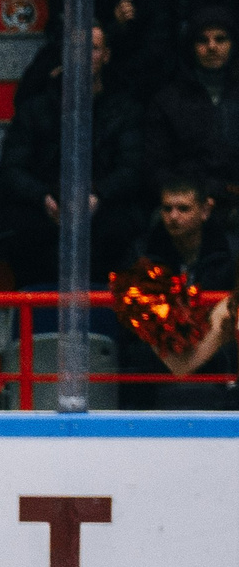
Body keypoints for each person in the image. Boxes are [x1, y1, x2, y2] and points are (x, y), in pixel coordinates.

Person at [0, 28, 145, 289]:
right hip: (42, 216)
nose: (84, 56)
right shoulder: (35, 109)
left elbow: (133, 169)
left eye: (93, 48)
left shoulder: (125, 109)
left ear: (106, 55)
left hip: (103, 218)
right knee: (24, 228)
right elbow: (11, 169)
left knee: (122, 227)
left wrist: (97, 195)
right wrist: (44, 196)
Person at [120, 171, 239, 407]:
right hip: (156, 366)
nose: (173, 217)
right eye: (167, 209)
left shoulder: (233, 252)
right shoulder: (141, 253)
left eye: (183, 209)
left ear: (205, 210)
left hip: (217, 361)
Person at [145, 8, 239, 211]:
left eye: (220, 39)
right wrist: (192, 197)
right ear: (191, 47)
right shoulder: (168, 100)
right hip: (185, 205)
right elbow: (156, 167)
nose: (212, 47)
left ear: (233, 45)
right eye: (202, 40)